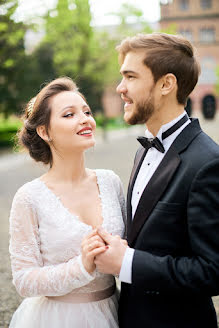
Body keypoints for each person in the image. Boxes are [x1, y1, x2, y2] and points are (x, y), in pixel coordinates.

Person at [94, 33, 219, 328]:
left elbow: (213, 271)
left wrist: (127, 263)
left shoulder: (208, 162)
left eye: (130, 76)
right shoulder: (142, 151)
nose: (120, 88)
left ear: (166, 84)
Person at [9, 77, 126, 328]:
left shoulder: (110, 182)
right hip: (56, 318)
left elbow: (129, 251)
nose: (85, 119)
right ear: (44, 131)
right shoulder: (29, 197)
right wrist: (80, 266)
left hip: (115, 312)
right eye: (69, 114)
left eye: (86, 111)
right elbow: (24, 280)